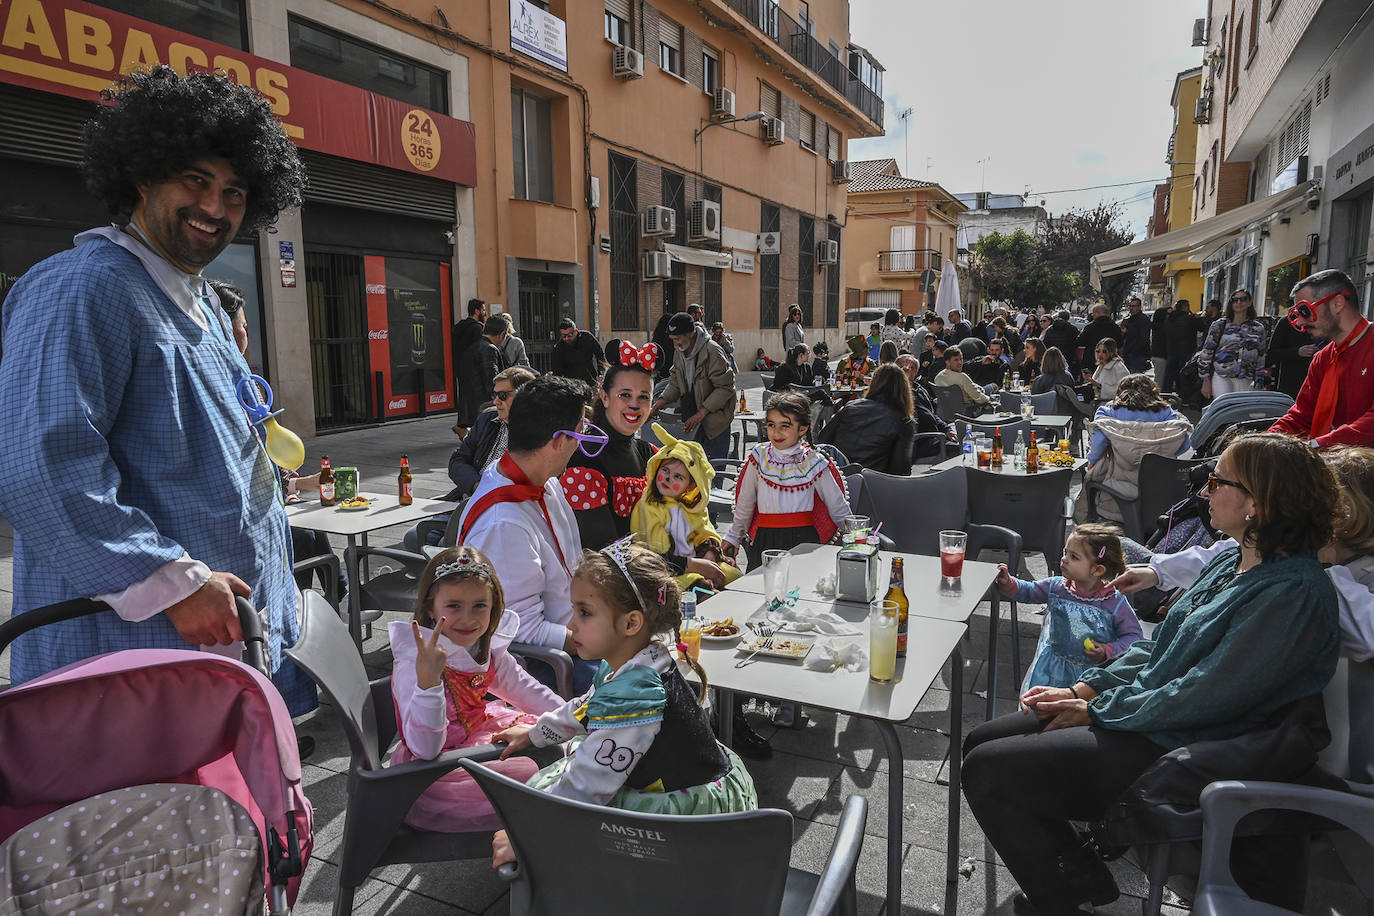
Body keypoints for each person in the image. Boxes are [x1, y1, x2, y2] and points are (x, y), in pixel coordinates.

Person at [0, 66, 316, 711]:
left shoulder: (196, 300)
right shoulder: (82, 287)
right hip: (125, 668)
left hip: (218, 655)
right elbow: (42, 469)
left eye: (234, 192)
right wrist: (168, 582)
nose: (214, 208)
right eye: (195, 181)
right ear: (142, 176)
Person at [962, 433, 1341, 914]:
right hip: (1154, 716)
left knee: (989, 771)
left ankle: (1061, 895)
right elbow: (1162, 648)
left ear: (1258, 503)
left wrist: (1098, 710)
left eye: (1218, 480)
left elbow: (1207, 695)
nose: (1204, 490)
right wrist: (1085, 686)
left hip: (1185, 745)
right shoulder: (1231, 559)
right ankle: (1076, 871)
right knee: (980, 742)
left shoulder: (1293, 595)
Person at [490, 541, 757, 870]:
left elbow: (591, 782)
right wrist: (537, 733)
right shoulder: (636, 658)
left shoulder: (637, 693)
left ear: (631, 623)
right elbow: (589, 704)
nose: (571, 624)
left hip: (686, 818)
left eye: (584, 612)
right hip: (674, 776)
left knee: (582, 834)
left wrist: (527, 833)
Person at [1114, 445, 1374, 664]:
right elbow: (1227, 554)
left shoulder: (1330, 577)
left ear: (1347, 514)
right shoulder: (1280, 550)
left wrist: (1319, 572)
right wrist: (1157, 571)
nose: (1206, 492)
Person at [388, 546, 562, 831]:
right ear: (431, 606)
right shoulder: (416, 661)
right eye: (454, 606)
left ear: (494, 605)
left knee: (556, 738)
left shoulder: (484, 647)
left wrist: (575, 717)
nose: (468, 619)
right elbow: (425, 749)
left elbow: (525, 690)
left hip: (475, 739)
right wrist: (429, 683)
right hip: (436, 774)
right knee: (544, 772)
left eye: (479, 606)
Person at [457, 374, 604, 695]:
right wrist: (599, 642)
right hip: (541, 667)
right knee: (648, 688)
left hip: (577, 630)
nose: (580, 442)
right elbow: (518, 628)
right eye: (579, 432)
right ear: (557, 441)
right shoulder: (504, 523)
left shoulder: (541, 478)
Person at [559, 341, 728, 592]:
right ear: (604, 397)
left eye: (644, 397)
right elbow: (605, 551)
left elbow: (692, 512)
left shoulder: (652, 455)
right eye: (624, 395)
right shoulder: (583, 461)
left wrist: (708, 549)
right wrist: (685, 564)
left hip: (661, 579)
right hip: (611, 594)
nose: (635, 405)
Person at [993, 524, 1141, 692]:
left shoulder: (1114, 602)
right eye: (1065, 552)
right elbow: (1028, 591)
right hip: (1051, 668)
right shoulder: (1056, 587)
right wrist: (1009, 582)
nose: (1064, 559)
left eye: (1074, 557)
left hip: (1091, 678)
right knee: (1041, 705)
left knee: (1077, 715)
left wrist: (1109, 650)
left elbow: (1134, 637)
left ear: (1098, 569)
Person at [722, 391, 850, 565]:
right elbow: (745, 503)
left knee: (801, 588)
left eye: (785, 426)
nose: (776, 432)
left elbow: (838, 507)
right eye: (771, 425)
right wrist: (734, 536)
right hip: (765, 541)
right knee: (762, 589)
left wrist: (858, 539)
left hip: (805, 544)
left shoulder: (815, 462)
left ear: (802, 429)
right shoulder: (759, 456)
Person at [1270, 269, 1374, 448]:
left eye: (1305, 310)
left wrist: (1319, 445)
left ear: (1337, 303)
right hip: (1333, 465)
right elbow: (1301, 417)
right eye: (1296, 314)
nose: (1301, 322)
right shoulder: (1322, 359)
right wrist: (1260, 444)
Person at [631, 424, 741, 590]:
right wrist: (696, 566)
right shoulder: (650, 505)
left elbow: (705, 530)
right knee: (702, 586)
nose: (668, 478)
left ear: (690, 487)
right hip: (667, 573)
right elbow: (656, 552)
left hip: (697, 559)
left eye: (678, 477)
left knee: (734, 577)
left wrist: (710, 553)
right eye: (665, 470)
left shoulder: (691, 506)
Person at [651, 311, 737, 461]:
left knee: (713, 473)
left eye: (678, 339)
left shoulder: (713, 351)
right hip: (693, 420)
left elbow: (725, 388)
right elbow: (676, 381)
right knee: (692, 473)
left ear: (690, 334)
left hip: (715, 424)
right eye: (673, 340)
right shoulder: (680, 351)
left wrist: (700, 414)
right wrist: (657, 405)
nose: (675, 343)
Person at [819, 364, 917, 475]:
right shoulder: (904, 420)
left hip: (839, 480)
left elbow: (823, 439)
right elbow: (901, 470)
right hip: (873, 483)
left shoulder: (850, 407)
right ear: (904, 388)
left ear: (874, 383)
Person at [1199, 288, 1268, 399]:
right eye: (1235, 300)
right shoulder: (1219, 325)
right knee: (1225, 409)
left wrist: (1259, 383)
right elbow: (1207, 352)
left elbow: (1261, 357)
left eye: (1243, 299)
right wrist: (1205, 380)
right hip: (1222, 375)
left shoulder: (1258, 328)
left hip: (1246, 378)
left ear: (1249, 302)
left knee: (1241, 413)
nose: (1239, 302)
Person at [897, 354, 957, 458]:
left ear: (916, 372)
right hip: (918, 442)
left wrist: (946, 429)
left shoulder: (920, 389)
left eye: (912, 368)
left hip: (934, 436)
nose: (907, 370)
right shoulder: (896, 392)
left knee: (966, 442)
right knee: (962, 449)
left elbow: (932, 414)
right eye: (903, 367)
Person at [458, 316, 509, 428]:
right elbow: (492, 381)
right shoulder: (489, 349)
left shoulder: (471, 348)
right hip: (483, 407)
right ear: (502, 334)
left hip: (469, 408)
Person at [452, 298, 488, 434]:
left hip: (461, 368)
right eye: (483, 310)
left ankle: (462, 425)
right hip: (473, 369)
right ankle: (474, 429)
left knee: (464, 396)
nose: (485, 313)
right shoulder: (477, 329)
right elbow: (479, 350)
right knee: (476, 400)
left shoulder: (459, 327)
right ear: (477, 311)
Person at [1265, 310, 1318, 399]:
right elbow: (1272, 353)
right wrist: (1297, 352)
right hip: (1290, 384)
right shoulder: (1286, 322)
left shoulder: (1324, 321)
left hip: (1315, 383)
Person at [551, 317, 606, 388]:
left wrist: (601, 374)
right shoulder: (558, 348)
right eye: (564, 336)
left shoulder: (587, 338)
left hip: (590, 381)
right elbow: (557, 372)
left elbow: (600, 354)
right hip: (571, 385)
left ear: (576, 331)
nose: (567, 338)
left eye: (570, 335)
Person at [1162, 299, 1199, 393]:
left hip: (1171, 350)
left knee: (1169, 375)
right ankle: (1183, 395)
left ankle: (1165, 394)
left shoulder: (1169, 319)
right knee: (1184, 375)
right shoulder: (1189, 319)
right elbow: (1201, 327)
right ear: (1185, 307)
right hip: (1186, 351)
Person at [1074, 303, 1124, 369]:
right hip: (1110, 361)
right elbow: (1120, 343)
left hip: (1092, 361)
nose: (1092, 316)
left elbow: (1080, 342)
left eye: (1093, 313)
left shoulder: (1089, 327)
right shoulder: (1116, 327)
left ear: (1097, 313)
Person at [1120, 296, 1151, 373]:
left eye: (1133, 306)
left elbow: (1144, 338)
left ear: (1139, 307)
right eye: (1130, 306)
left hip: (1137, 355)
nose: (1131, 308)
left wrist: (1134, 352)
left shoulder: (1143, 319)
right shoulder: (1129, 319)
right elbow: (1126, 336)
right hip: (1128, 354)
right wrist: (1124, 332)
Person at [1149, 300, 1170, 386]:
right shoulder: (1163, 328)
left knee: (1159, 378)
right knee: (1159, 380)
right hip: (1161, 356)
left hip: (1155, 355)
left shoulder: (1154, 327)